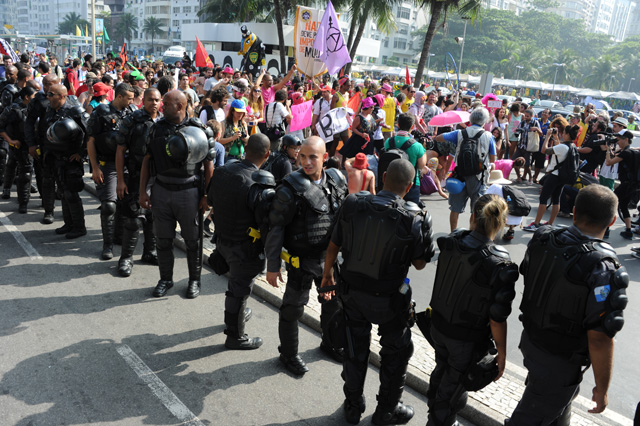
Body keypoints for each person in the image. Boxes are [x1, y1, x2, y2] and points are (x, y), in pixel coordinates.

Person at [320, 159, 435, 425]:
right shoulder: (414, 216)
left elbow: (333, 244)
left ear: (383, 177)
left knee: (353, 349)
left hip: (353, 294)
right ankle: (386, 411)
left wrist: (327, 274)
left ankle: (352, 406)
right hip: (390, 301)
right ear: (408, 187)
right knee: (396, 353)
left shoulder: (353, 203)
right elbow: (419, 264)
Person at [507, 185, 627, 425]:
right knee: (532, 414)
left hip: (531, 341)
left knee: (555, 409)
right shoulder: (603, 267)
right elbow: (600, 337)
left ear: (573, 212)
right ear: (613, 221)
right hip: (559, 360)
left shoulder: (543, 237)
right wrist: (601, 389)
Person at [426, 194, 517, 426]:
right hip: (464, 339)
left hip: (438, 327)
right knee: (450, 391)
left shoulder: (453, 239)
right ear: (501, 222)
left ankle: (439, 416)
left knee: (443, 373)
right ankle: (438, 421)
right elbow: (497, 319)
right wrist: (502, 353)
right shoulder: (500, 262)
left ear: (473, 217)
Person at [265, 136, 347, 376]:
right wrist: (272, 265)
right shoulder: (289, 188)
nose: (306, 162)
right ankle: (288, 354)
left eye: (313, 156)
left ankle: (330, 342)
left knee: (333, 304)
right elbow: (276, 227)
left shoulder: (336, 179)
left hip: (330, 260)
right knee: (293, 309)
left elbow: (344, 220)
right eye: (302, 156)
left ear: (325, 157)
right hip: (301, 261)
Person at [139, 90, 215, 299]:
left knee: (193, 241)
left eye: (166, 103)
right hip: (161, 191)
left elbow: (209, 165)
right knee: (163, 240)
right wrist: (142, 192)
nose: (161, 106)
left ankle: (194, 280)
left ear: (180, 106)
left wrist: (207, 196)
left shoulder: (199, 129)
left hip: (188, 193)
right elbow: (147, 160)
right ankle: (165, 279)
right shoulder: (156, 129)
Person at [209, 133, 275, 350]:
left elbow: (210, 200)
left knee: (236, 289)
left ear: (246, 149)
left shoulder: (222, 171)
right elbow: (266, 223)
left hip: (222, 241)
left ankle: (237, 316)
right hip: (244, 249)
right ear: (267, 154)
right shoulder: (257, 184)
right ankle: (235, 337)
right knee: (238, 291)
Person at [115, 88, 162, 277]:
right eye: (151, 99)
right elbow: (120, 150)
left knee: (152, 217)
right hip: (134, 176)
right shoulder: (132, 120)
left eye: (157, 100)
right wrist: (120, 180)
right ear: (143, 100)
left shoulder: (164, 121)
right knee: (133, 220)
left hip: (157, 178)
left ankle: (149, 252)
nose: (154, 103)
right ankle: (126, 258)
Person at [87, 83, 137, 260]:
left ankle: (119, 237)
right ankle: (107, 245)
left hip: (127, 164)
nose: (132, 101)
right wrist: (94, 167)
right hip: (107, 163)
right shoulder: (101, 112)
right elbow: (91, 140)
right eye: (130, 98)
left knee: (125, 203)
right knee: (109, 205)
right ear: (120, 96)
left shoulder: (132, 113)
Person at [434, 107, 496, 231]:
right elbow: (493, 159)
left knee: (455, 208)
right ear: (484, 121)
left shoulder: (459, 133)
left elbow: (439, 138)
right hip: (478, 177)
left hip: (460, 176)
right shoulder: (489, 136)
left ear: (471, 119)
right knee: (476, 210)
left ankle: (453, 232)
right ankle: (471, 234)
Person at [43, 84, 89, 239]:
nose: (48, 97)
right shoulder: (50, 110)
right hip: (55, 158)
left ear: (61, 96)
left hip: (71, 159)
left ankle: (79, 227)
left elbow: (89, 133)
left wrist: (81, 153)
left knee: (71, 193)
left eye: (51, 94)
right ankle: (68, 223)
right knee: (63, 192)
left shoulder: (74, 111)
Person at [524, 125, 580, 231]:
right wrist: (555, 138)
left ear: (567, 134)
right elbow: (559, 150)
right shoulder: (572, 146)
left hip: (554, 175)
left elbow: (544, 150)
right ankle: (550, 223)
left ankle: (536, 224)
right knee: (556, 199)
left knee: (543, 198)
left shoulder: (563, 147)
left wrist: (547, 137)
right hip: (562, 176)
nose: (562, 134)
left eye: (563, 133)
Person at [24, 74, 60, 223]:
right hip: (45, 146)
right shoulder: (38, 101)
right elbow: (29, 123)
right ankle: (48, 210)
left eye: (50, 84)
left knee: (65, 182)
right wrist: (31, 144)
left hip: (63, 148)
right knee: (46, 179)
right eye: (45, 84)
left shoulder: (69, 100)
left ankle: (70, 216)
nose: (47, 88)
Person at [0, 86, 37, 212]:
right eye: (33, 95)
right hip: (18, 146)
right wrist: (10, 141)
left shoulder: (36, 108)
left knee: (31, 172)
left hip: (34, 146)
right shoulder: (13, 110)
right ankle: (22, 202)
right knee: (22, 172)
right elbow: (1, 127)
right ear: (27, 97)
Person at [384, 113, 427, 204]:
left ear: (398, 125)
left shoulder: (389, 141)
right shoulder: (417, 145)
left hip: (391, 182)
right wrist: (424, 148)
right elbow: (421, 165)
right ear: (412, 127)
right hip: (410, 183)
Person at [604, 130, 638, 240]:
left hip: (626, 185)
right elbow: (616, 156)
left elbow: (609, 162)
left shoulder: (626, 153)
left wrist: (607, 151)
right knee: (623, 205)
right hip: (633, 185)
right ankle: (628, 231)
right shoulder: (633, 152)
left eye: (619, 139)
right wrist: (612, 148)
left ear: (626, 139)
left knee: (610, 204)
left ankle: (606, 230)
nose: (617, 141)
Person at [512, 109, 542, 184]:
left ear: (531, 116)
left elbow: (541, 134)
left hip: (529, 147)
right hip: (521, 145)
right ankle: (519, 177)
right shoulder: (522, 123)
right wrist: (516, 131)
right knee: (514, 162)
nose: (526, 117)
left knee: (527, 165)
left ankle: (530, 178)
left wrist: (536, 129)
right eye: (525, 116)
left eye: (527, 116)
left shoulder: (535, 123)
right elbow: (518, 132)